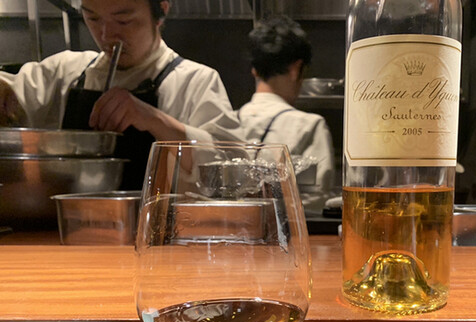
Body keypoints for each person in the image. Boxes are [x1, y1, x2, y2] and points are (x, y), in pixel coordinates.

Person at [0, 0, 243, 190]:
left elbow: (235, 173)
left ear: (161, 11)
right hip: (70, 227)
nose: (106, 36)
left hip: (156, 234)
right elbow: (11, 94)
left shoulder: (194, 81)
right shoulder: (65, 72)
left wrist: (156, 120)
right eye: (93, 18)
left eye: (123, 21)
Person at [238, 16, 335, 215]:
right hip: (285, 232)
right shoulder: (309, 126)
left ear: (255, 70)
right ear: (296, 69)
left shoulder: (228, 121)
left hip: (229, 229)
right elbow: (314, 202)